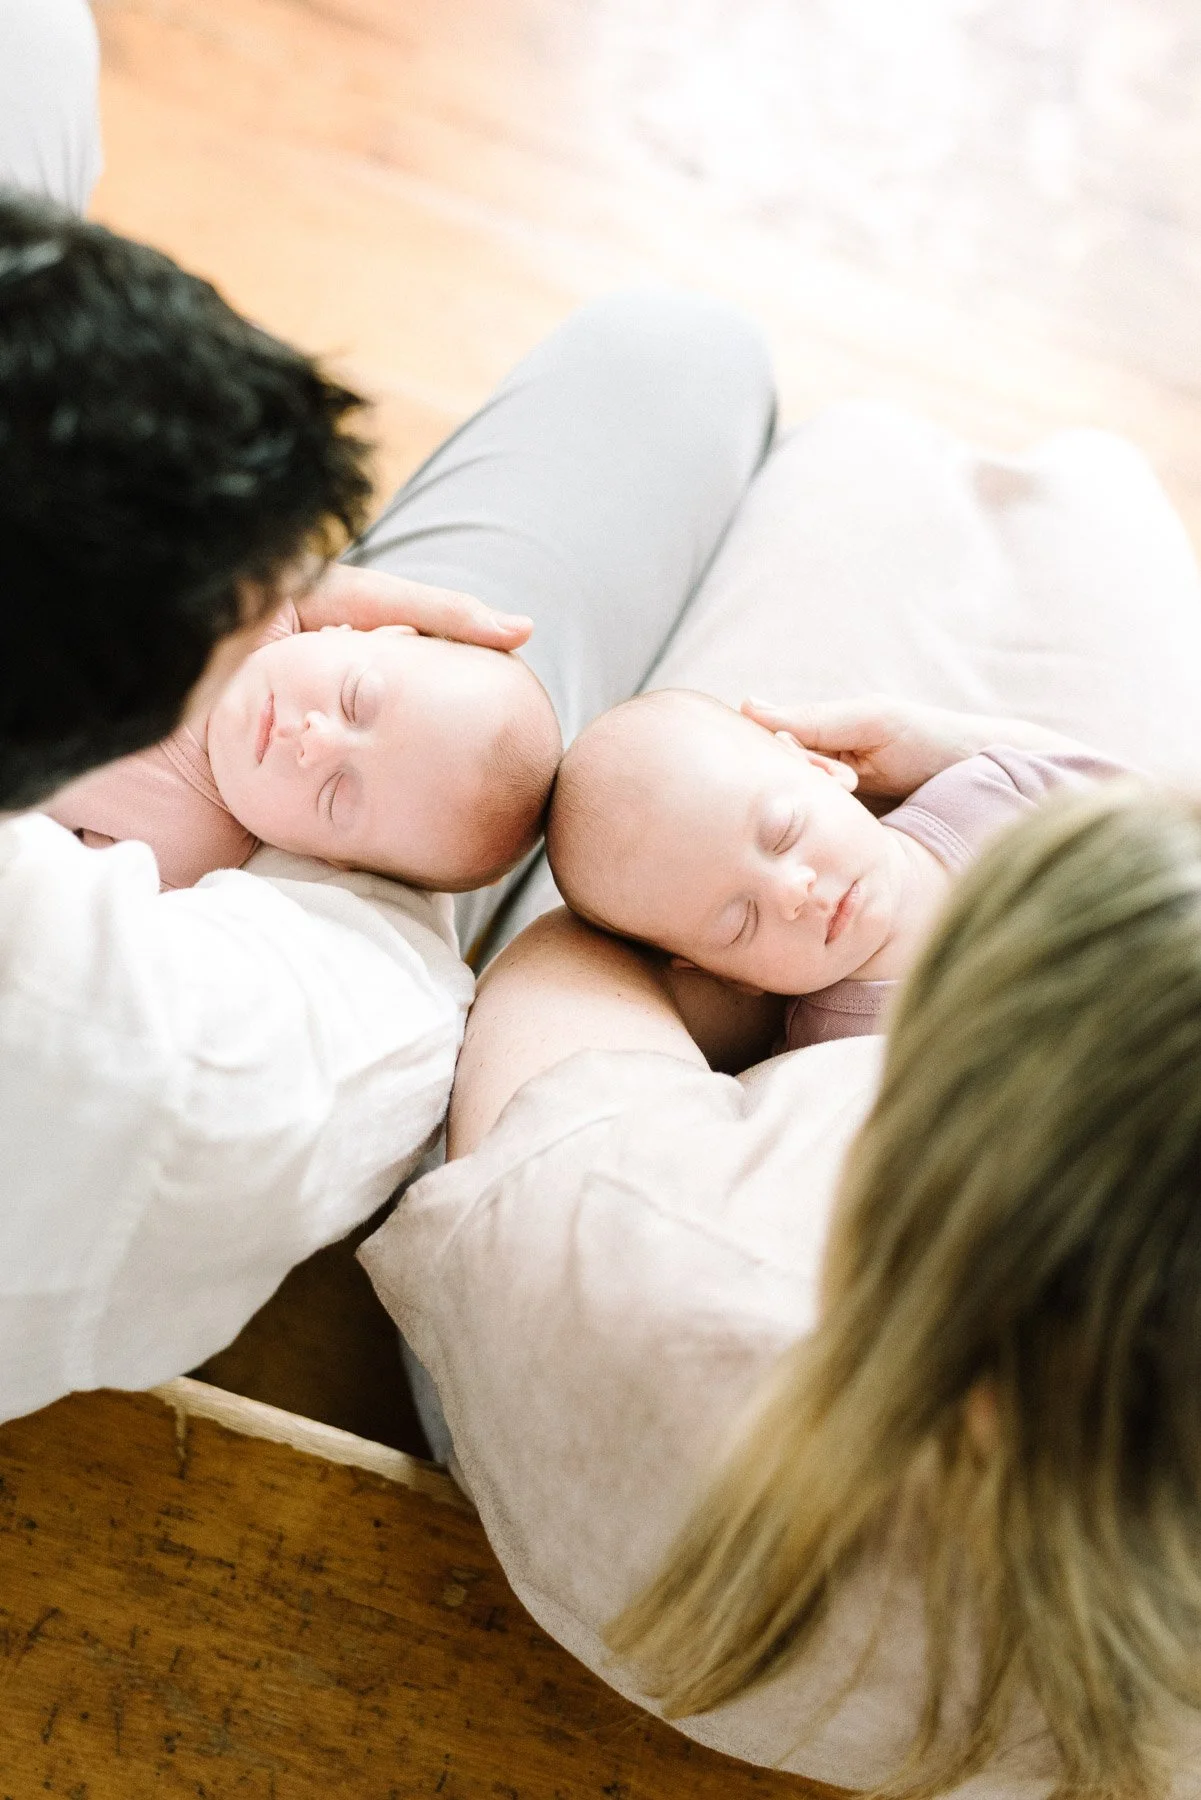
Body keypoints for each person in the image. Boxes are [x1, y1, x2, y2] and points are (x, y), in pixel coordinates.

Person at [0, 0, 776, 1424]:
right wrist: (359, 821)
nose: (306, 732)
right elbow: (369, 1020)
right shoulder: (174, 1031)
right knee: (677, 359)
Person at [547, 686, 1124, 1052]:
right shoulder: (828, 1057)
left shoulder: (996, 791)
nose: (792, 892)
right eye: (738, 923)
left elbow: (1165, 832)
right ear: (728, 976)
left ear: (822, 768)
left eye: (782, 833)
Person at [45, 599, 562, 892]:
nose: (319, 739)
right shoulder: (242, 596)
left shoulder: (183, 855)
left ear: (330, 861)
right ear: (369, 630)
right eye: (355, 698)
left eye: (337, 796)